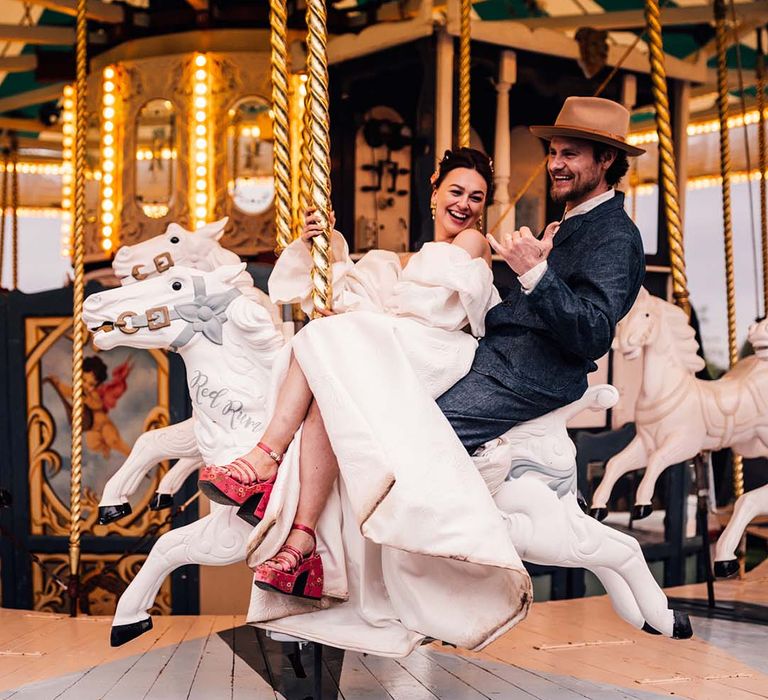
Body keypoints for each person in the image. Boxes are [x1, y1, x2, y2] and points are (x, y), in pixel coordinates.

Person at [200, 148, 532, 654]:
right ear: (435, 188)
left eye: (476, 197)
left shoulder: (469, 242)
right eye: (456, 191)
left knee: (321, 340)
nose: (464, 204)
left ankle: (263, 457)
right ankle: (303, 539)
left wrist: (354, 316)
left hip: (435, 353)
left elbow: (422, 307)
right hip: (401, 346)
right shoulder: (408, 256)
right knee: (327, 382)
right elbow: (371, 292)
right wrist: (327, 249)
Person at [438, 96, 646, 452]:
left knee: (422, 428)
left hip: (530, 375)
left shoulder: (614, 235)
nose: (555, 165)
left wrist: (535, 273)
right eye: (553, 153)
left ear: (606, 159)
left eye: (570, 154)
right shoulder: (575, 220)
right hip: (503, 359)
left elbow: (594, 331)